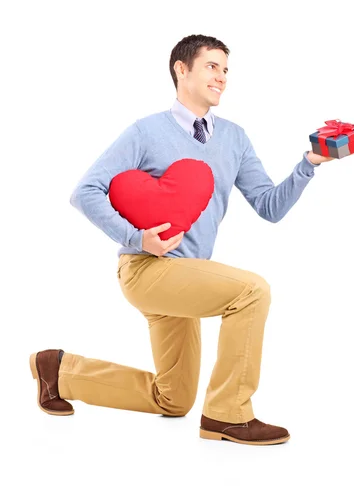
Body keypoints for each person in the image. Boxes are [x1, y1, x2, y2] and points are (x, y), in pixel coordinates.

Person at [29, 34, 334, 446]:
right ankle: (228, 414)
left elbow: (269, 206)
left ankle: (58, 370)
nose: (222, 77)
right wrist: (137, 238)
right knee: (252, 292)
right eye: (212, 66)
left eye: (226, 70)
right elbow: (84, 192)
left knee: (172, 398)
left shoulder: (235, 138)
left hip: (188, 276)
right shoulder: (146, 131)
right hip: (146, 270)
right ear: (181, 69)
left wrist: (308, 164)